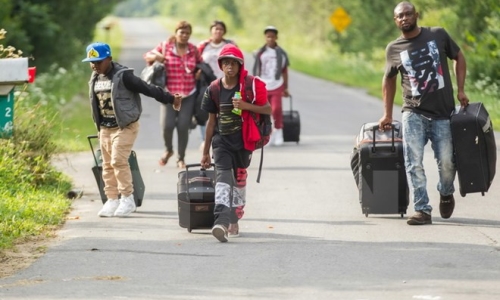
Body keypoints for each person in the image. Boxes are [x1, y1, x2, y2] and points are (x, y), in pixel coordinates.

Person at [378, 1, 469, 225]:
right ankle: (422, 209)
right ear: (395, 20)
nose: (404, 18)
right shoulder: (394, 48)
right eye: (400, 16)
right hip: (413, 112)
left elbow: (459, 57)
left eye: (408, 14)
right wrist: (387, 114)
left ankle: (446, 193)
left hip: (442, 113)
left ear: (416, 15)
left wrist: (461, 90)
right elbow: (388, 80)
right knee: (413, 162)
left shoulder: (437, 35)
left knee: (447, 163)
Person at [82, 42, 182, 217]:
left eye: (98, 61)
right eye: (92, 62)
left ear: (109, 59)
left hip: (125, 126)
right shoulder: (95, 78)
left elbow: (147, 88)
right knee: (106, 165)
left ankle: (127, 199)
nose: (95, 65)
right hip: (105, 128)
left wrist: (171, 99)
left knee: (117, 161)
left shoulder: (123, 76)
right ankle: (112, 200)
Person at [200, 44, 271, 242]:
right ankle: (221, 222)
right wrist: (205, 151)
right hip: (221, 142)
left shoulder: (248, 86)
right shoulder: (214, 89)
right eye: (226, 63)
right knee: (222, 179)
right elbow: (211, 122)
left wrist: (245, 106)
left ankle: (234, 218)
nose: (230, 66)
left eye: (234, 63)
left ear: (240, 66)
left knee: (239, 179)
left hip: (243, 141)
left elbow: (268, 110)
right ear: (221, 66)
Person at [144, 20, 202, 169]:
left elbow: (201, 64)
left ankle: (181, 158)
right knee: (167, 125)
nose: (184, 35)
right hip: (169, 94)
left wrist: (199, 72)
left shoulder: (193, 49)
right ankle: (168, 150)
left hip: (189, 93)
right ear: (176, 33)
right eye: (182, 32)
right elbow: (148, 56)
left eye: (187, 33)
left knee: (183, 126)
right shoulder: (165, 47)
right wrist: (157, 57)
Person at [196, 20, 236, 149]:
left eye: (220, 29)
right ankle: (205, 140)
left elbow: (238, 62)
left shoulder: (230, 45)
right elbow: (195, 61)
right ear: (211, 31)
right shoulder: (203, 46)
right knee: (205, 112)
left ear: (224, 31)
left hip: (227, 83)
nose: (218, 31)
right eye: (215, 29)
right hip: (207, 85)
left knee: (227, 111)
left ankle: (226, 139)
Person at [252, 25, 290, 146]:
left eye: (272, 37)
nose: (270, 39)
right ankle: (267, 134)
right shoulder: (260, 53)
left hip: (277, 84)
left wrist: (286, 87)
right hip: (263, 84)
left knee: (276, 109)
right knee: (263, 111)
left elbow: (284, 71)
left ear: (276, 37)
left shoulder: (281, 53)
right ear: (265, 37)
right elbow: (256, 69)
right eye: (268, 36)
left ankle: (278, 131)